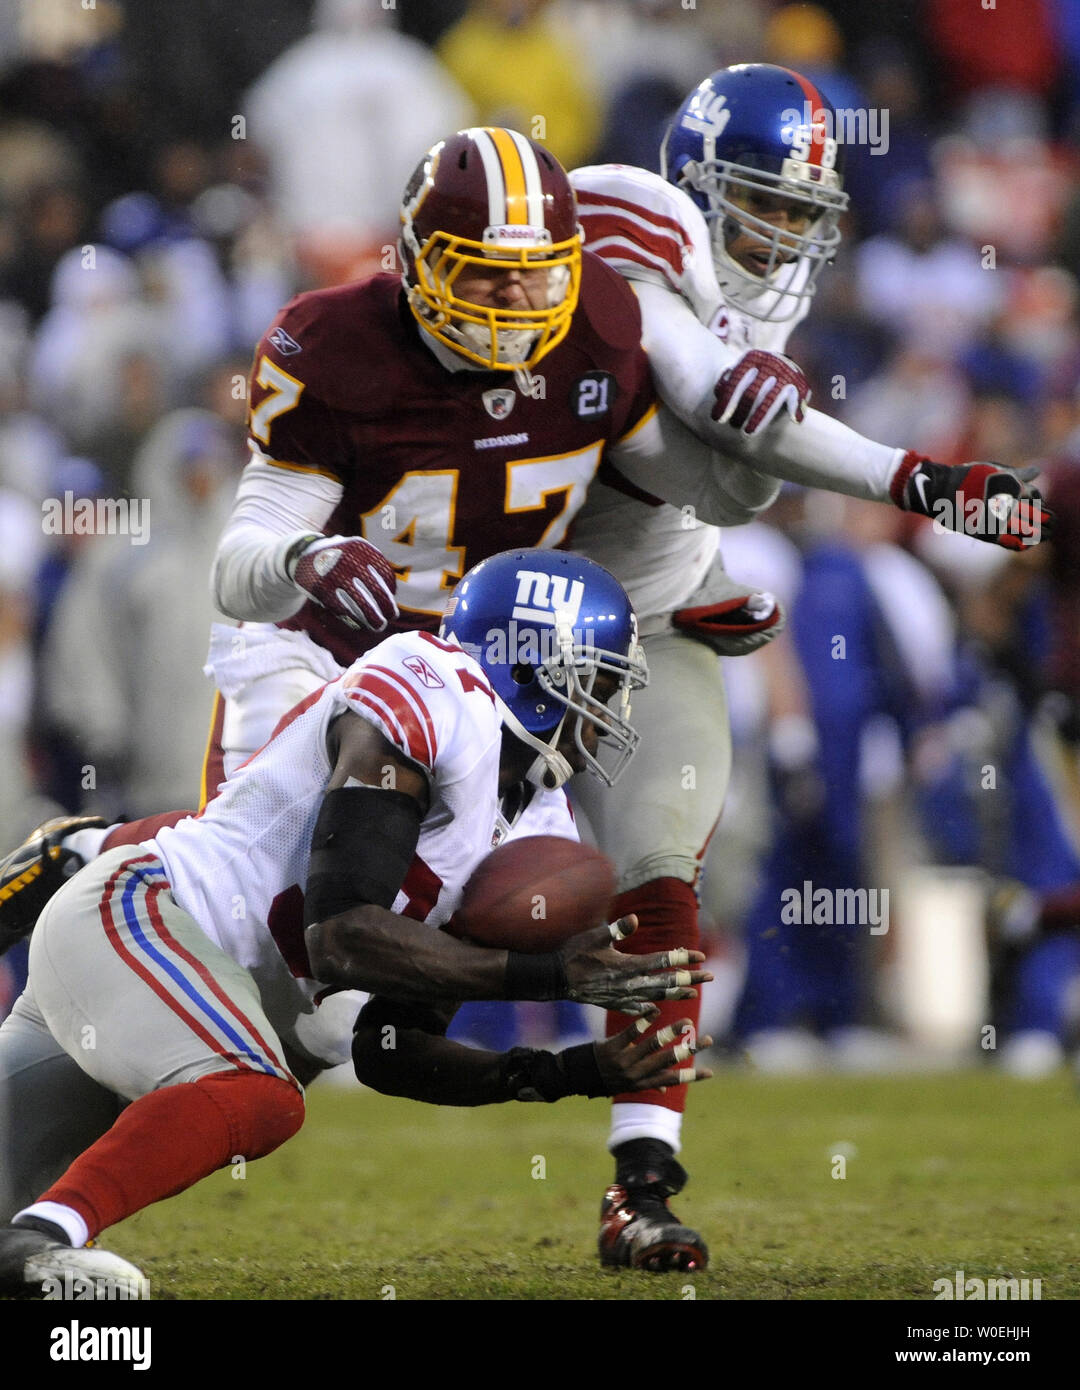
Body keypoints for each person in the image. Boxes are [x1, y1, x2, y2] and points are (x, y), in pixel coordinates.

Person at [565, 60, 1052, 1266]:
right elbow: (727, 409)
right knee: (335, 945)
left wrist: (707, 569)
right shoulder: (626, 238)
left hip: (653, 603)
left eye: (802, 212)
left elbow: (732, 471)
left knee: (660, 883)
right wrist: (927, 481)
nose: (782, 233)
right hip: (499, 612)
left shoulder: (763, 295)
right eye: (761, 202)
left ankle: (641, 1186)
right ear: (689, 181)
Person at [0, 548, 712, 1297]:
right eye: (597, 684)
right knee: (258, 1092)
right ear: (534, 668)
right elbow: (337, 937)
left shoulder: (538, 825)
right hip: (142, 919)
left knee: (278, 1069)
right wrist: (550, 976)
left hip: (169, 986)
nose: (605, 720)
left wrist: (575, 1072)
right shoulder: (435, 693)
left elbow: (389, 1048)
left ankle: (29, 1243)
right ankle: (44, 1252)